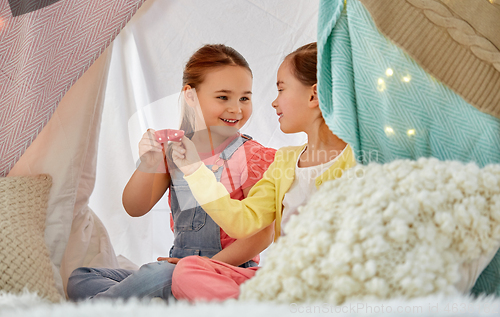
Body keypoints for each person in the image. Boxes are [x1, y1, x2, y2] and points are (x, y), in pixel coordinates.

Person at [66, 44, 276, 302]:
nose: (236, 108)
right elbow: (135, 207)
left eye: (244, 97)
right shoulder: (176, 152)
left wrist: (200, 269)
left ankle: (108, 305)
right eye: (223, 97)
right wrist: (149, 161)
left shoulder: (254, 156)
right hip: (175, 267)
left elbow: (263, 234)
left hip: (225, 271)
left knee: (158, 276)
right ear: (190, 97)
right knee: (81, 277)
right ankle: (154, 300)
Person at [170, 42, 357, 301]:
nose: (273, 102)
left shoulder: (358, 159)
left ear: (314, 96)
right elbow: (242, 221)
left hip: (333, 285)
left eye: (281, 89)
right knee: (188, 270)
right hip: (285, 283)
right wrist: (194, 170)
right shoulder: (284, 162)